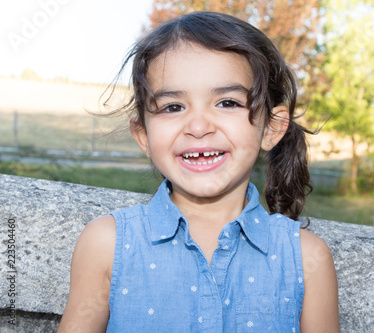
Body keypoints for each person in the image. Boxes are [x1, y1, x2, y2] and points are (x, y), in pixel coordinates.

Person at [58, 11, 339, 332]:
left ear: (271, 128)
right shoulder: (108, 244)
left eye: (228, 102)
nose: (198, 126)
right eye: (173, 107)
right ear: (144, 136)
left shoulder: (306, 260)